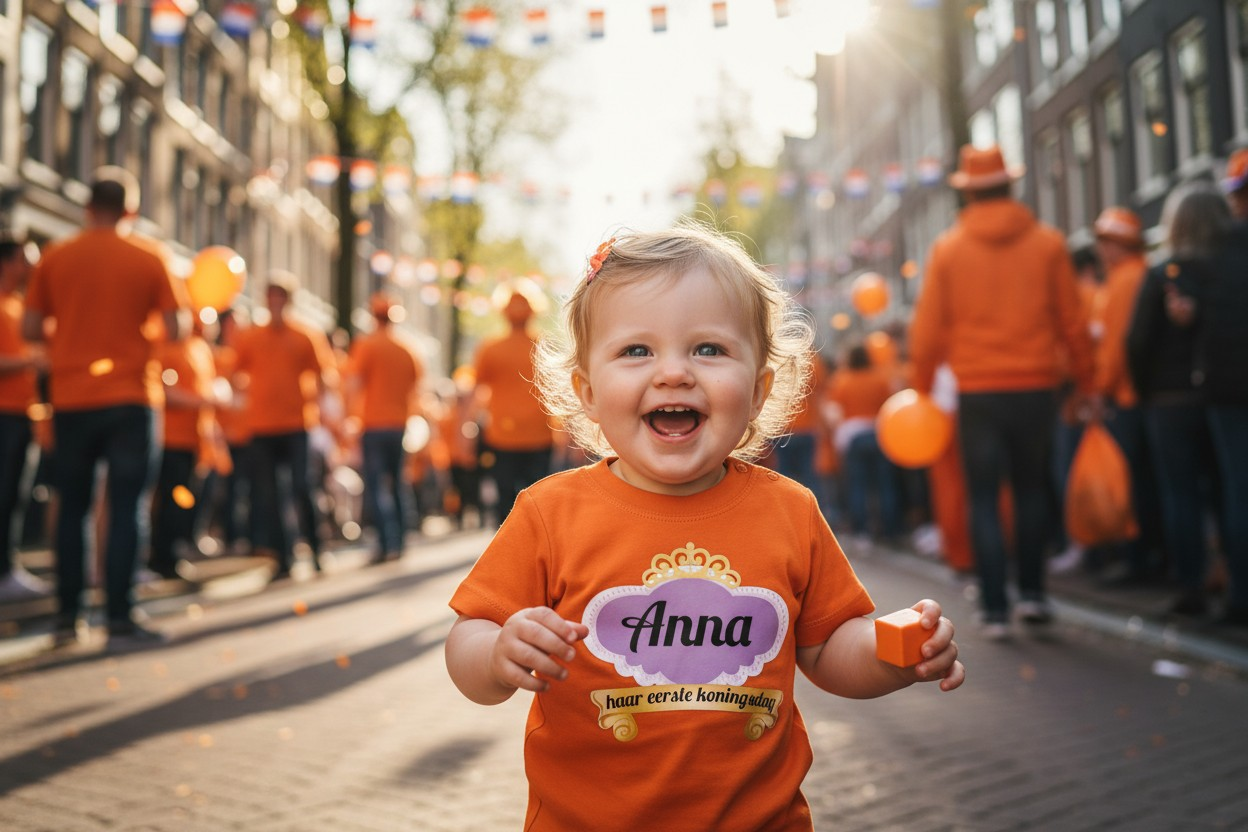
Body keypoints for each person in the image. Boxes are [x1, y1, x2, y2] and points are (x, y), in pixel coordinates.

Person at [445, 223, 964, 831]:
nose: (674, 373)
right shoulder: (549, 512)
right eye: (636, 351)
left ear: (760, 389)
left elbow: (828, 648)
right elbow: (468, 635)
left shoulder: (790, 511)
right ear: (587, 392)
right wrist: (495, 654)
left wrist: (890, 655)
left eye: (709, 350)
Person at [908, 144, 1095, 640]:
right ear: (1011, 186)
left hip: (978, 391)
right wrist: (1086, 383)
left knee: (983, 497)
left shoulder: (948, 250)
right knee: (1032, 489)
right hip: (1036, 387)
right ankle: (1032, 593)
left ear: (968, 193)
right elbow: (1073, 321)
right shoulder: (1048, 245)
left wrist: (921, 389)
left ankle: (994, 608)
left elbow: (927, 330)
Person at [22, 167, 185, 644]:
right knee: (127, 505)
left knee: (73, 506)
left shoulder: (57, 256)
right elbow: (176, 329)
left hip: (72, 396)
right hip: (132, 396)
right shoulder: (150, 256)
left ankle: (67, 616)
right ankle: (119, 614)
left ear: (87, 206)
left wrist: (70, 335)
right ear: (130, 210)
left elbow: (30, 329)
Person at [231, 271, 335, 580]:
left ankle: (315, 548)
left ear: (289, 300)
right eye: (271, 296)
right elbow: (235, 373)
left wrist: (323, 412)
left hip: (296, 424)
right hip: (261, 426)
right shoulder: (251, 336)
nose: (275, 301)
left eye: (280, 296)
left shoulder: (306, 335)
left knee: (302, 487)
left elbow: (323, 377)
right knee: (269, 495)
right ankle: (283, 558)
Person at [1090, 206, 1164, 585]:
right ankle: (1150, 557)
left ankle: (1139, 561)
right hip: (1140, 395)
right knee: (1146, 481)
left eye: (1107, 241)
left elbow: (1117, 346)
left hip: (1126, 398)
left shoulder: (1123, 281)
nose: (1102, 249)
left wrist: (1101, 390)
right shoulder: (1137, 274)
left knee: (1133, 485)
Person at [343, 293, 424, 562]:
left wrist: (350, 417)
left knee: (376, 485)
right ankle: (400, 541)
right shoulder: (408, 349)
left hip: (373, 425)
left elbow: (354, 384)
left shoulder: (366, 345)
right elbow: (416, 388)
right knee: (398, 483)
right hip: (399, 425)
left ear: (373, 316)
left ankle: (384, 542)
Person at [471, 283, 554, 524]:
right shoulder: (545, 346)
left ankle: (509, 543)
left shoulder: (491, 347)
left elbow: (476, 391)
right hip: (538, 434)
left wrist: (464, 433)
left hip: (503, 435)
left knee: (505, 501)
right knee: (538, 501)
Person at [148, 316, 221, 581]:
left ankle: (174, 551)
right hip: (171, 440)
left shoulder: (199, 349)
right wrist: (201, 401)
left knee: (187, 500)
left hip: (194, 440)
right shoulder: (163, 349)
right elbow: (165, 391)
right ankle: (163, 557)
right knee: (171, 500)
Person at [0, 234, 48, 602]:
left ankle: (7, 567)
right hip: (4, 415)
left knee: (14, 495)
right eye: (26, 258)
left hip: (22, 415)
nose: (33, 265)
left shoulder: (20, 306)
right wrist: (31, 361)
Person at [825, 343, 900, 549]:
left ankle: (862, 532)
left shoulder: (842, 381)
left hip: (854, 437)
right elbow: (890, 404)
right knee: (885, 484)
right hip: (878, 434)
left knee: (857, 485)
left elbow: (834, 412)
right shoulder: (879, 379)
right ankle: (890, 530)